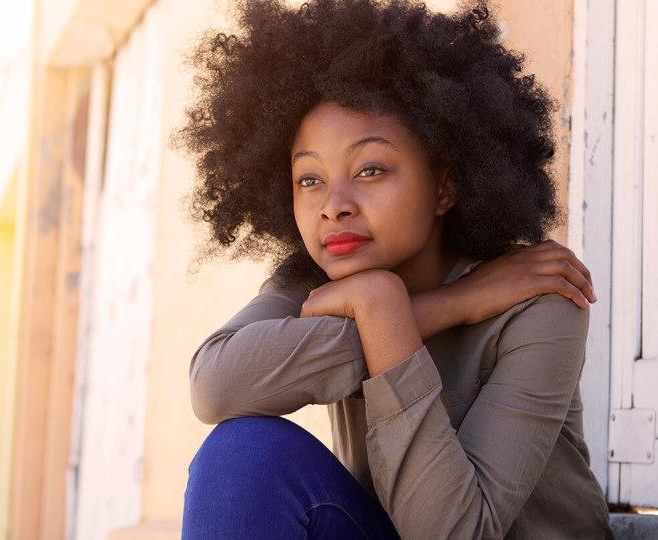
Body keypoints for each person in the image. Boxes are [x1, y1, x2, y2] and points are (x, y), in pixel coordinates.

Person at [173, 0, 615, 537]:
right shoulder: (315, 285)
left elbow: (454, 532)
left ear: (444, 187)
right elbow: (215, 386)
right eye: (309, 179)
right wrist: (431, 308)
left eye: (371, 170)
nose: (333, 204)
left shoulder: (538, 303)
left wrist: (387, 315)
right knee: (244, 452)